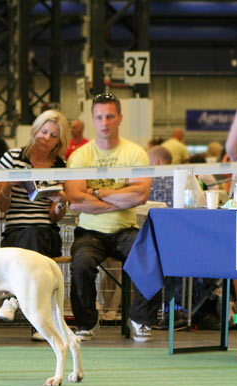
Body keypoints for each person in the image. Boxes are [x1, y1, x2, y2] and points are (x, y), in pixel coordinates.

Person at [66, 92, 160, 342]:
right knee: (81, 264)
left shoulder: (135, 153)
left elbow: (140, 195)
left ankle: (140, 320)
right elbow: (75, 198)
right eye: (99, 117)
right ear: (93, 120)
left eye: (109, 116)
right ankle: (87, 323)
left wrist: (96, 193)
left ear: (119, 118)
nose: (105, 122)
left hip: (124, 229)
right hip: (89, 233)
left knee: (150, 255)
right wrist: (118, 197)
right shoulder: (80, 156)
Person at [0, 110, 71, 341]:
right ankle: (40, 323)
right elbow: (1, 206)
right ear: (35, 130)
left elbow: (55, 217)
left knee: (35, 236)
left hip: (46, 231)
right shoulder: (12, 158)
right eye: (44, 131)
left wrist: (60, 203)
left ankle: (13, 300)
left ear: (60, 140)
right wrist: (8, 186)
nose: (46, 137)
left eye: (53, 135)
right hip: (15, 232)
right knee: (30, 241)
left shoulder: (61, 166)